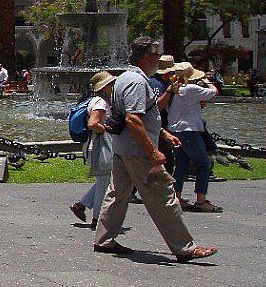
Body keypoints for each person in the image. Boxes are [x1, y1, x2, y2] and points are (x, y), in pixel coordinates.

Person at [93, 36, 217, 263]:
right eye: (156, 54)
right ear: (147, 56)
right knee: (163, 195)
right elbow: (133, 119)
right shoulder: (137, 82)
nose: (158, 59)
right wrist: (153, 151)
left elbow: (148, 112)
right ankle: (184, 247)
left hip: (124, 148)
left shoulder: (124, 78)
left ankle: (104, 239)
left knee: (117, 194)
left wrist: (163, 133)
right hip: (138, 151)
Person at [169, 65, 222, 213]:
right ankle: (200, 200)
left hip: (176, 130)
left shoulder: (175, 89)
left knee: (181, 164)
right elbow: (214, 92)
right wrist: (207, 81)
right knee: (204, 163)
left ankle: (176, 197)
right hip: (189, 131)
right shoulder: (191, 89)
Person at [70, 70, 116, 228]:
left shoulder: (94, 100)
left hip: (94, 145)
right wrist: (108, 129)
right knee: (105, 182)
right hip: (99, 145)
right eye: (111, 84)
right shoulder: (100, 103)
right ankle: (97, 219)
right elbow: (93, 124)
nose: (113, 86)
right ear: (104, 87)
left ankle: (81, 205)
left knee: (104, 180)